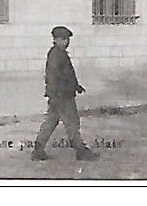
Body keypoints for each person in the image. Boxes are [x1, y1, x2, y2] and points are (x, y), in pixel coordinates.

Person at [31, 26, 99, 161]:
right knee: (72, 122)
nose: (66, 42)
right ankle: (81, 151)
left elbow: (67, 74)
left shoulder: (59, 53)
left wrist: (76, 86)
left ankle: (38, 150)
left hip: (59, 95)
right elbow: (55, 76)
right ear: (55, 40)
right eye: (62, 39)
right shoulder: (56, 55)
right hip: (62, 95)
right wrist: (59, 93)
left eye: (67, 39)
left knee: (51, 122)